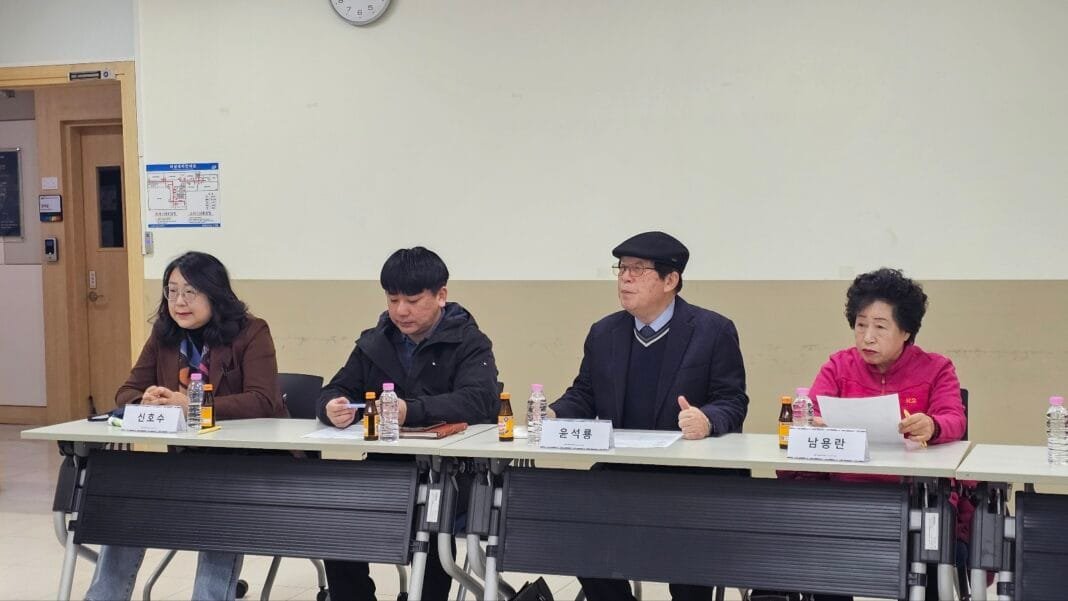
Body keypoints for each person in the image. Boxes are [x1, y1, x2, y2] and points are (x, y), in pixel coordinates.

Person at [550, 231, 749, 601]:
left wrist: (707, 419)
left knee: (690, 554)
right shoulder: (605, 332)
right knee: (575, 527)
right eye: (622, 269)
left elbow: (733, 400)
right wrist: (552, 415)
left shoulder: (712, 331)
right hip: (623, 472)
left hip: (691, 478)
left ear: (670, 280)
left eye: (638, 270)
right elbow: (585, 394)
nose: (625, 278)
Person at [86, 251, 286, 601]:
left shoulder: (251, 332)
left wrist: (193, 405)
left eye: (190, 292)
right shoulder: (164, 335)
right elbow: (126, 391)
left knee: (220, 506)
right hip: (187, 462)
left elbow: (263, 400)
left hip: (247, 463)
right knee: (125, 502)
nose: (179, 302)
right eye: (172, 291)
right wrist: (145, 399)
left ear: (215, 293)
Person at [772, 268, 968, 601]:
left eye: (880, 327)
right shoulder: (839, 366)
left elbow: (954, 419)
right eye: (861, 325)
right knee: (811, 527)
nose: (867, 338)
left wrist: (932, 426)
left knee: (934, 534)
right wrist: (813, 425)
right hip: (846, 494)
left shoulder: (936, 368)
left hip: (915, 497)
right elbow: (811, 414)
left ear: (906, 331)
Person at [317, 246, 499, 601]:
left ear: (441, 295)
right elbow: (337, 388)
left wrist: (410, 411)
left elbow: (479, 400)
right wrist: (331, 406)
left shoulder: (469, 342)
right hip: (386, 468)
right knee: (337, 516)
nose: (401, 310)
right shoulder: (374, 343)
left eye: (413, 300)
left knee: (431, 518)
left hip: (452, 473)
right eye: (393, 299)